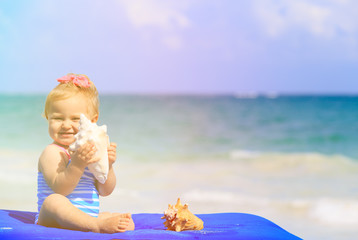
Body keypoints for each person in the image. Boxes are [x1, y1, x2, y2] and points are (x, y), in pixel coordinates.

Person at [35, 73, 135, 233]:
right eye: (58, 118)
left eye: (75, 119)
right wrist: (77, 164)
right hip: (52, 220)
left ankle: (94, 223)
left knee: (126, 222)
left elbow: (105, 191)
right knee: (53, 201)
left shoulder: (91, 151)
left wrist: (108, 167)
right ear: (48, 118)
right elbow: (61, 188)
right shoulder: (52, 152)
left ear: (93, 120)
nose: (66, 125)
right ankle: (96, 226)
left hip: (85, 218)